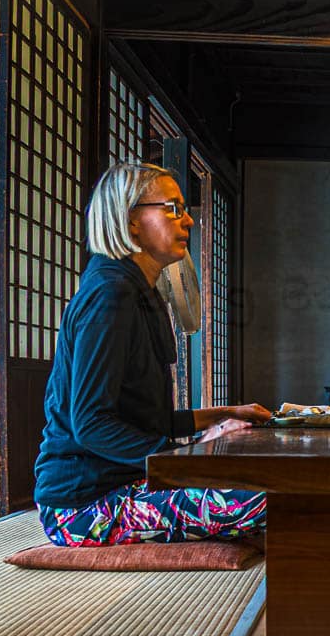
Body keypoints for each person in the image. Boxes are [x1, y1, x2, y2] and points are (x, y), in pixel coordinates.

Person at [34, 162, 273, 546]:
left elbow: (146, 419)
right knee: (276, 502)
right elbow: (91, 424)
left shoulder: (140, 291)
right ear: (131, 222)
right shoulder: (109, 295)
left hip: (129, 482)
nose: (188, 222)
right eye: (173, 208)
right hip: (83, 505)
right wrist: (188, 458)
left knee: (275, 482)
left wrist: (225, 414)